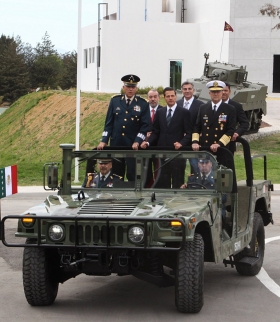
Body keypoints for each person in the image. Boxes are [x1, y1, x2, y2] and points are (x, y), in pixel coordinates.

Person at [97, 74, 150, 181]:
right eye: (128, 86)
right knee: (116, 174)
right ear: (123, 87)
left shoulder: (143, 104)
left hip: (132, 145)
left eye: (133, 87)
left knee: (132, 173)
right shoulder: (115, 101)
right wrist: (104, 140)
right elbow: (108, 124)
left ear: (136, 88)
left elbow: (144, 126)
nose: (130, 89)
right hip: (117, 143)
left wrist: (138, 141)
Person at [141, 87, 192, 188]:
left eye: (172, 96)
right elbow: (155, 132)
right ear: (164, 98)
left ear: (176, 96)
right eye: (168, 96)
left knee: (178, 183)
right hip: (162, 154)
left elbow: (190, 133)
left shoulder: (184, 113)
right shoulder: (160, 112)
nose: (170, 98)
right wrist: (148, 142)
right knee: (162, 183)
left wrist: (181, 143)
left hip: (177, 154)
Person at [192, 80, 236, 154]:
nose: (215, 94)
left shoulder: (230, 109)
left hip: (221, 148)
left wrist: (219, 144)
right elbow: (197, 127)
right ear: (209, 93)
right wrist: (195, 141)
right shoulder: (203, 107)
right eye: (213, 92)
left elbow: (230, 130)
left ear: (222, 93)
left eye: (218, 92)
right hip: (205, 147)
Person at [222, 83, 249, 154]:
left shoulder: (236, 106)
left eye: (225, 90)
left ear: (229, 92)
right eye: (221, 90)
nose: (223, 92)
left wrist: (237, 133)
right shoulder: (210, 105)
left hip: (229, 144)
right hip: (212, 143)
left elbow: (245, 123)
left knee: (227, 164)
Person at [145, 89, 163, 187]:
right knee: (146, 169)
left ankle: (157, 188)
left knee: (158, 169)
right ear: (148, 98)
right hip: (145, 145)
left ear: (159, 98)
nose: (153, 99)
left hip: (158, 145)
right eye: (150, 97)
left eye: (155, 97)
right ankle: (147, 188)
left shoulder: (163, 110)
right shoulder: (143, 111)